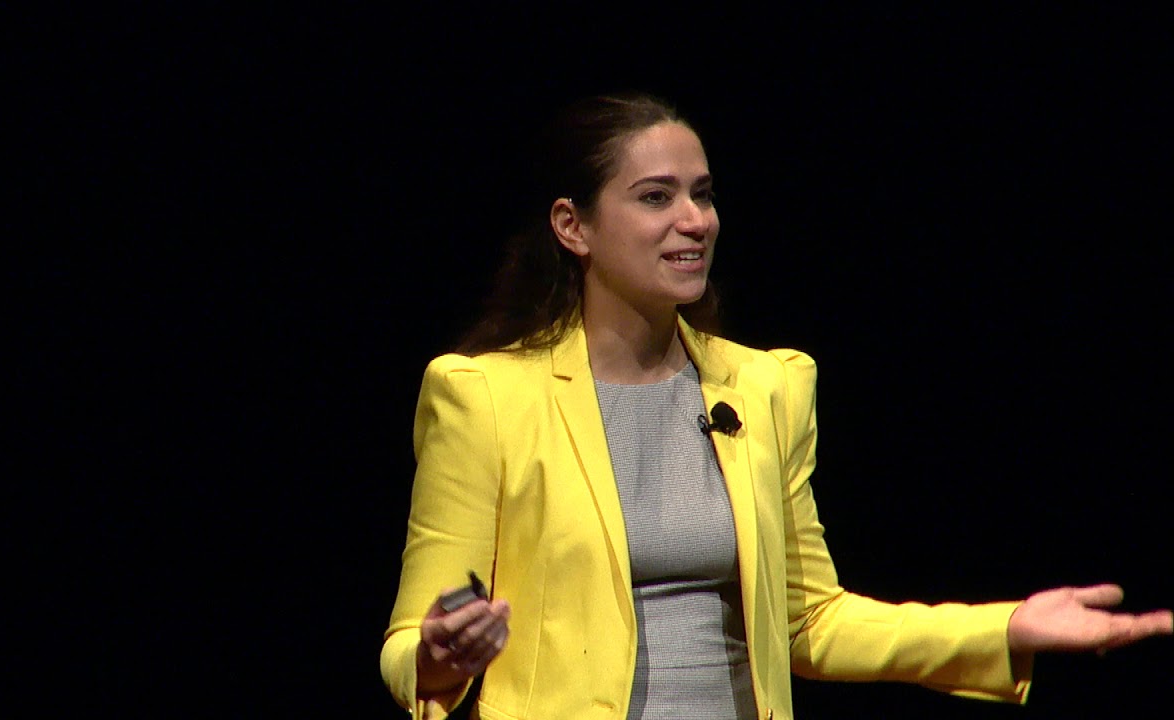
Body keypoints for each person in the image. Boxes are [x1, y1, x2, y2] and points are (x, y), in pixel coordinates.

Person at [379, 92, 1172, 720]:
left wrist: (1004, 627)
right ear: (572, 226)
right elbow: (408, 645)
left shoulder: (764, 388)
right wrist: (441, 657)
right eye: (656, 197)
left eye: (702, 195)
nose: (695, 220)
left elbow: (810, 621)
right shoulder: (485, 397)